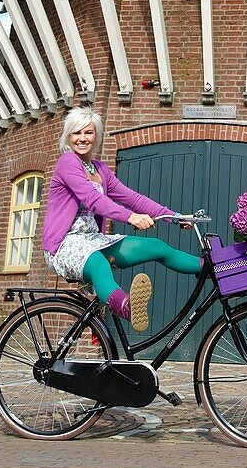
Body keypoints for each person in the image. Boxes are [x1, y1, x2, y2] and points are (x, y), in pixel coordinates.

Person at [41, 107, 201, 332]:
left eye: (88, 132)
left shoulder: (101, 169)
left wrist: (174, 217)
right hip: (64, 245)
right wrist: (131, 218)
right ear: (69, 137)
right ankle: (128, 308)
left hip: (92, 239)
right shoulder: (67, 162)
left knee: (156, 247)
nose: (82, 138)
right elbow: (93, 199)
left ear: (96, 136)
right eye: (77, 133)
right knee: (98, 263)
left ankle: (208, 268)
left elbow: (132, 198)